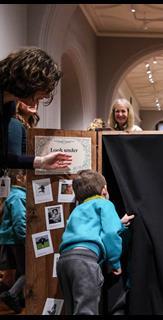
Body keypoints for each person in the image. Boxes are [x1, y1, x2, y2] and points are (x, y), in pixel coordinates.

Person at [56, 169, 135, 315]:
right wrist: (114, 262)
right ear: (104, 190)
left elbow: (92, 229)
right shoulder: (104, 204)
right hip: (85, 261)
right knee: (87, 310)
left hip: (64, 262)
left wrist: (119, 223)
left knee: (71, 309)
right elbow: (110, 234)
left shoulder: (77, 209)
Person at [0, 47, 72, 170]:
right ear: (30, 79)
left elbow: (3, 157)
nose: (47, 95)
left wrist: (41, 162)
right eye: (45, 88)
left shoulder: (9, 105)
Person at [0, 169, 27, 314]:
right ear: (19, 177)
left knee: (20, 270)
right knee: (27, 270)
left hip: (10, 239)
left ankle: (19, 297)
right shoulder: (18, 196)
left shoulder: (14, 195)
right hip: (16, 240)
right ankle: (11, 294)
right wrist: (25, 239)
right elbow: (19, 221)